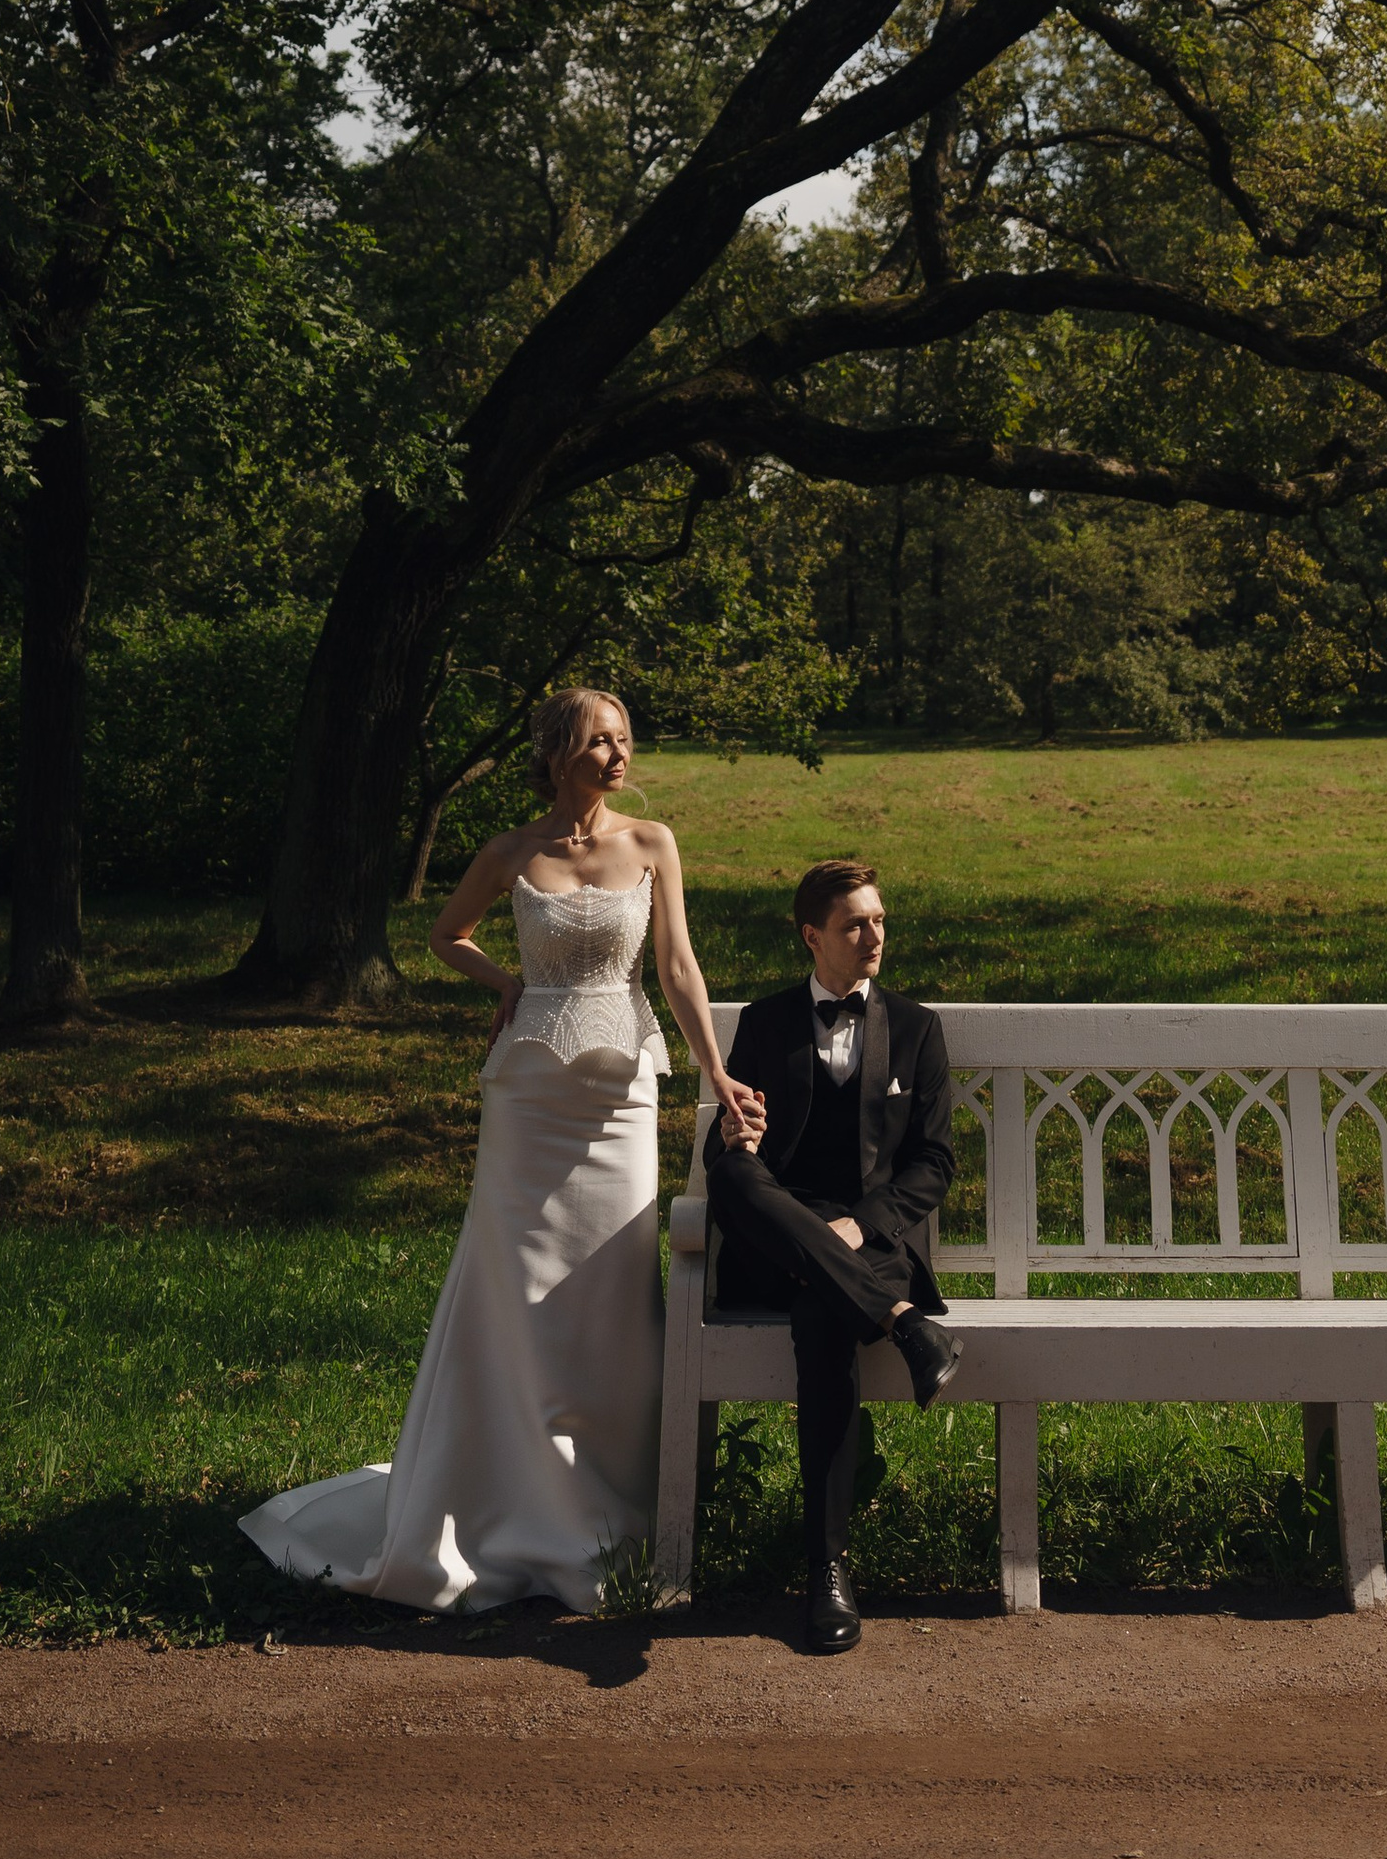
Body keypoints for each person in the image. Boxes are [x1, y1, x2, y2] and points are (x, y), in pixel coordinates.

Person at [240, 686, 761, 1616]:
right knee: (515, 1294)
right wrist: (511, 985)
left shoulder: (653, 842)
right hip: (528, 1101)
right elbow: (446, 936)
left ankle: (613, 1510)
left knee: (608, 1295)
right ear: (559, 751)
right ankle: (502, 1502)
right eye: (601, 743)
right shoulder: (511, 853)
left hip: (620, 1098)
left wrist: (712, 1074)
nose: (617, 758)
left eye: (625, 743)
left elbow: (678, 968)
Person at [706, 859, 963, 1654]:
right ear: (813, 936)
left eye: (880, 919)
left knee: (822, 1315)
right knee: (728, 1173)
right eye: (856, 925)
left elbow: (934, 1162)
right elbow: (746, 1149)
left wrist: (863, 1223)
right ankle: (904, 1324)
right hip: (787, 1237)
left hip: (871, 1243)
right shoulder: (766, 1021)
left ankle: (828, 1572)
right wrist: (737, 1133)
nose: (875, 935)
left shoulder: (916, 1028)